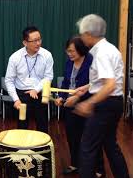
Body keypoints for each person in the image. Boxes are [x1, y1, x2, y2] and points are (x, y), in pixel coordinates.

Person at [74, 14, 129, 178]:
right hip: (114, 103)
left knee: (87, 147)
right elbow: (105, 81)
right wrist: (86, 88)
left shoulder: (102, 53)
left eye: (82, 34)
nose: (82, 37)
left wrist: (89, 103)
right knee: (110, 145)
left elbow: (110, 85)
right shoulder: (109, 48)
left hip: (105, 104)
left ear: (89, 34)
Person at [55, 37, 104, 177]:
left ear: (81, 50)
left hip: (88, 104)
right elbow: (65, 83)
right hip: (70, 106)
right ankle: (75, 164)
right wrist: (60, 97)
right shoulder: (69, 63)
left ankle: (98, 168)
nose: (69, 54)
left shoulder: (91, 61)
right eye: (67, 51)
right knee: (72, 136)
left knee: (91, 138)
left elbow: (96, 85)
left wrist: (78, 97)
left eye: (72, 51)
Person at [5, 26, 53, 133]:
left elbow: (48, 76)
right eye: (34, 41)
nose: (38, 43)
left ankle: (42, 149)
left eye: (39, 39)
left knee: (42, 125)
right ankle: (22, 148)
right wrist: (16, 99)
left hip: (40, 93)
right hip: (21, 95)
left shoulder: (47, 55)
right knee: (22, 126)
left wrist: (36, 89)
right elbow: (9, 80)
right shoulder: (15, 57)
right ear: (25, 43)